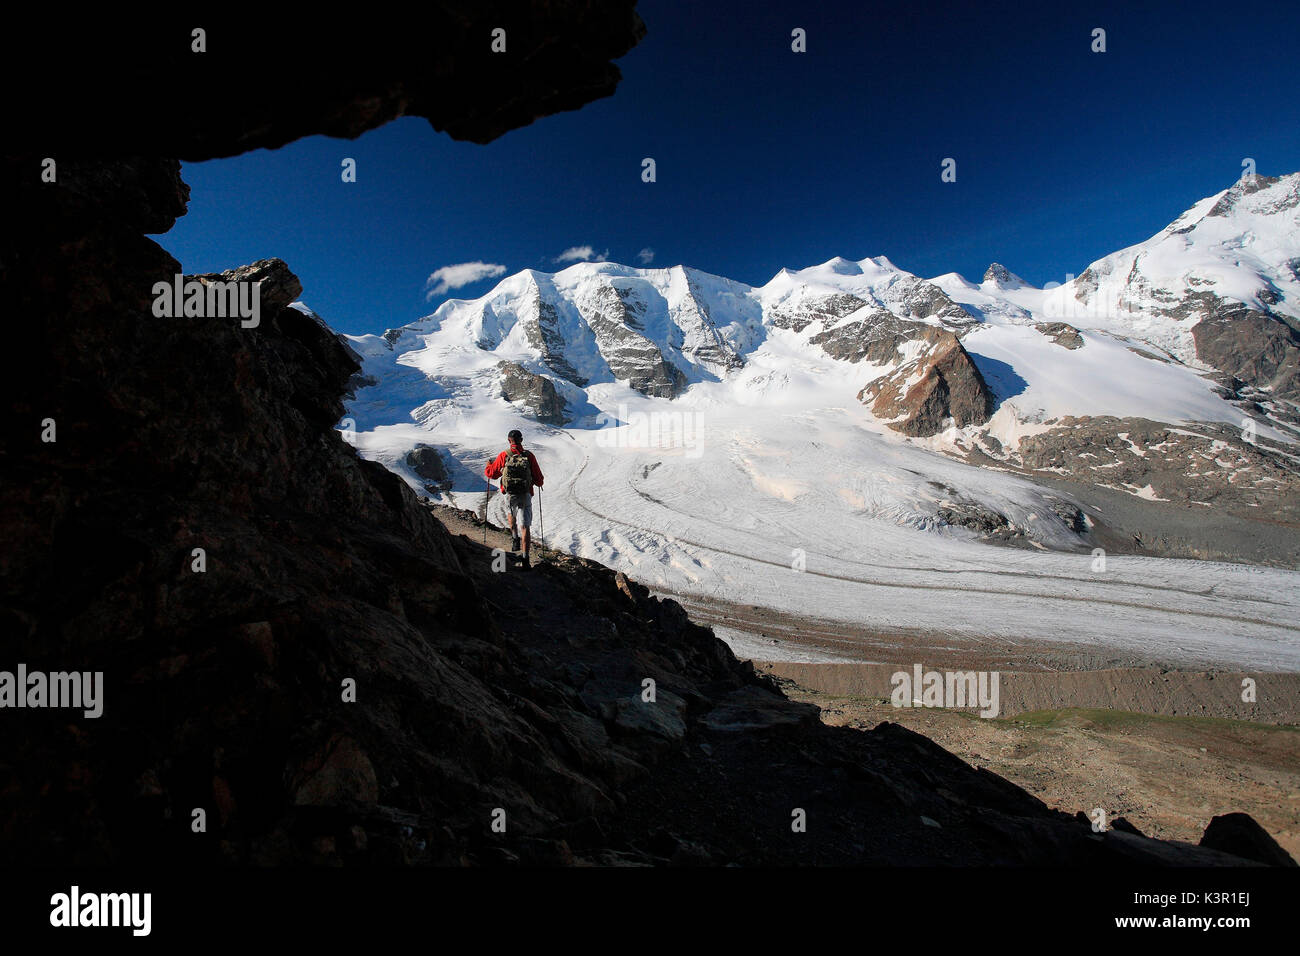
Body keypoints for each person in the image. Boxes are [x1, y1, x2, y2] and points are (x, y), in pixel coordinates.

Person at [484, 428, 544, 569]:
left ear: (509, 441)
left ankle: (514, 537)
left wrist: (488, 465)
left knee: (511, 514)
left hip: (510, 494)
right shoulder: (529, 456)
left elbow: (492, 474)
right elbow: (539, 480)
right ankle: (525, 559)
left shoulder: (504, 455)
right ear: (521, 440)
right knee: (525, 526)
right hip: (525, 493)